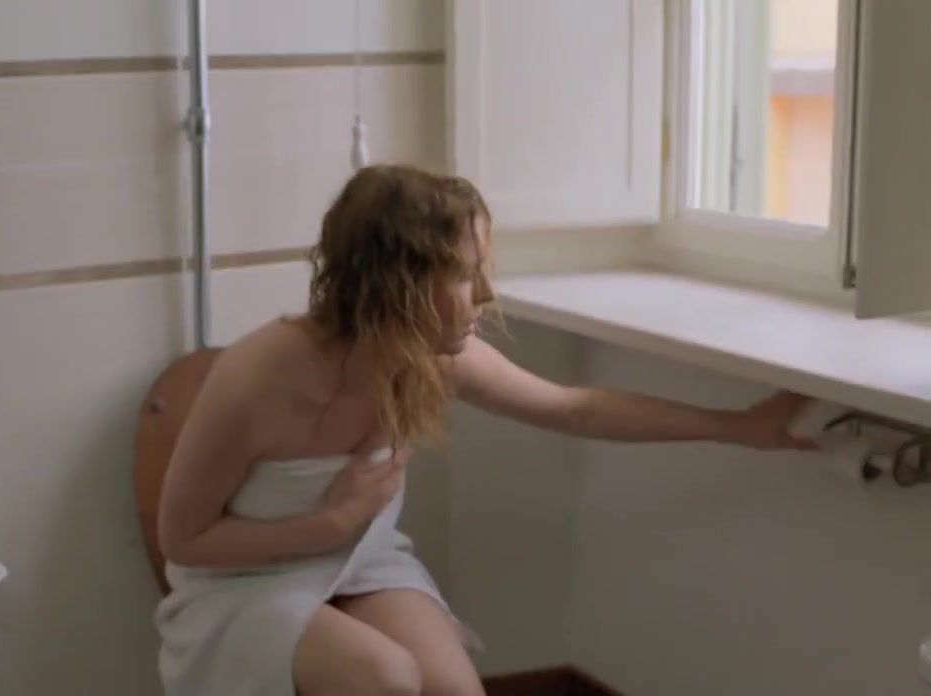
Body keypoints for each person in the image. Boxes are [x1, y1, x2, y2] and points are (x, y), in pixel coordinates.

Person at [153, 164, 815, 696]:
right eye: (467, 275)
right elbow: (183, 540)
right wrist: (330, 522)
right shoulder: (257, 378)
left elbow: (576, 408)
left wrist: (739, 426)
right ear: (402, 282)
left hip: (358, 561)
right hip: (241, 586)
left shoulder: (429, 358)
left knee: (453, 691)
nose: (488, 295)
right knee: (387, 679)